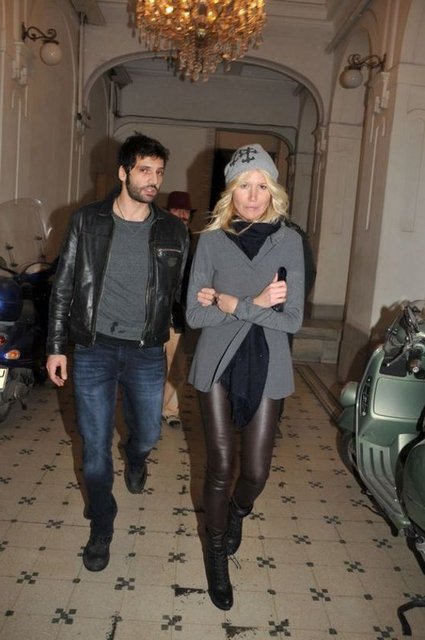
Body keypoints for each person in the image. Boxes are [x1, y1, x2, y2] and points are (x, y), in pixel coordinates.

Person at [46, 133, 189, 572]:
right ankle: (101, 525)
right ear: (124, 172)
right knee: (94, 449)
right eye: (145, 171)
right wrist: (56, 346)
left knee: (147, 434)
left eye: (159, 172)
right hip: (94, 350)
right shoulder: (87, 220)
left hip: (147, 350)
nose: (153, 181)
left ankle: (136, 457)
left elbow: (181, 293)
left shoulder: (173, 230)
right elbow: (64, 285)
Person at [185, 144, 304, 610]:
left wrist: (233, 303)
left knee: (254, 472)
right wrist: (254, 304)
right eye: (243, 186)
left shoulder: (289, 242)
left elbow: (292, 319)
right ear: (230, 192)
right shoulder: (211, 241)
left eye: (261, 186)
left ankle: (237, 512)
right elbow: (194, 315)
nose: (252, 196)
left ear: (273, 191)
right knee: (219, 465)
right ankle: (216, 554)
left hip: (269, 363)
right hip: (217, 362)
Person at [162, 191, 195, 428]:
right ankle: (149, 410)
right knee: (150, 369)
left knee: (177, 366)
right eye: (177, 210)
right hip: (156, 313)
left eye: (186, 212)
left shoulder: (196, 244)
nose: (182, 215)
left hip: (179, 315)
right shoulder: (156, 236)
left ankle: (170, 410)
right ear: (168, 213)